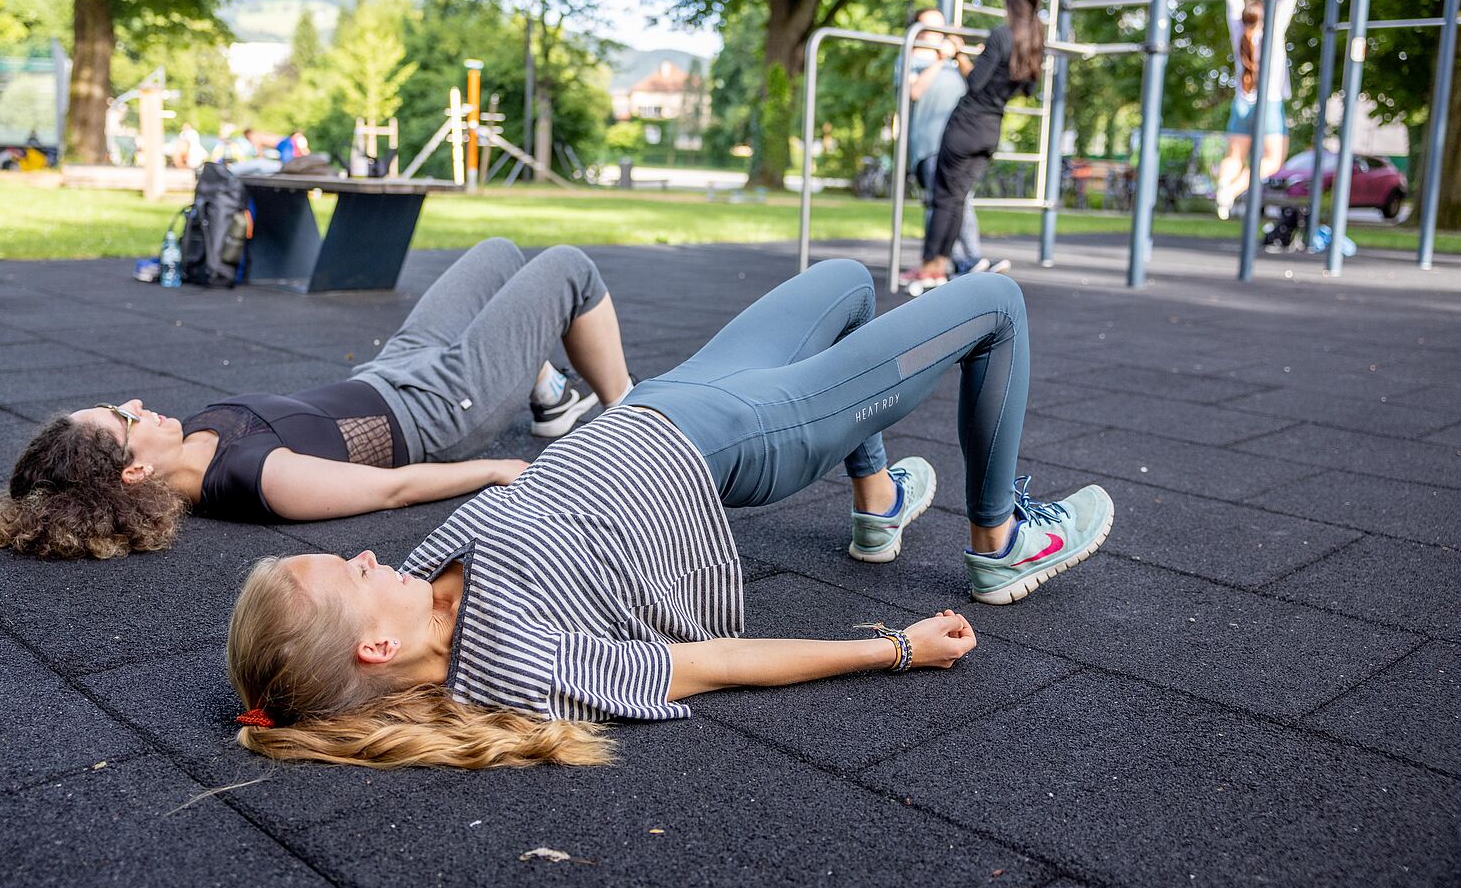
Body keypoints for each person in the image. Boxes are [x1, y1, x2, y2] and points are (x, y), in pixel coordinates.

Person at [226, 261, 1113, 769]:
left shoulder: (416, 583)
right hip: (747, 439)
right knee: (995, 304)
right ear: (373, 649)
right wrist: (898, 647)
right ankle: (1001, 542)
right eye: (351, 573)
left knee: (844, 282)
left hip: (666, 398)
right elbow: (712, 663)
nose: (367, 558)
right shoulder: (517, 669)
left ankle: (877, 503)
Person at [0, 239, 633, 559]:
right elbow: (393, 489)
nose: (135, 402)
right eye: (125, 418)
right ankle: (629, 418)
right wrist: (495, 469)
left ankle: (546, 395)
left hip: (397, 367)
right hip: (443, 406)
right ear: (136, 471)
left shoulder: (193, 440)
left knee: (497, 255)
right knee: (569, 268)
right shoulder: (251, 477)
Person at [911, 0, 1045, 288]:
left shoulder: (1001, 35)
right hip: (990, 131)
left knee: (944, 199)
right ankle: (945, 267)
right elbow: (1026, 89)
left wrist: (960, 54)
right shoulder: (1036, 42)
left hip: (965, 126)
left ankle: (931, 268)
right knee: (956, 199)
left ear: (1010, 2)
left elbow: (974, 82)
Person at [894, 8, 1009, 288]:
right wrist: (940, 59)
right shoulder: (911, 57)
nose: (938, 33)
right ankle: (961, 260)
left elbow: (976, 85)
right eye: (930, 28)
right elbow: (914, 91)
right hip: (930, 145)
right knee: (948, 201)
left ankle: (956, 262)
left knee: (954, 200)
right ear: (917, 31)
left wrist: (963, 56)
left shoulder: (952, 59)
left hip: (959, 141)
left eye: (941, 28)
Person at [1213, 0, 1304, 220]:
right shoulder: (1272, 31)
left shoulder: (1239, 32)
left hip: (1242, 100)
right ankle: (1232, 190)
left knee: (1235, 154)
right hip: (1269, 101)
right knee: (1273, 159)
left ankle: (1222, 186)